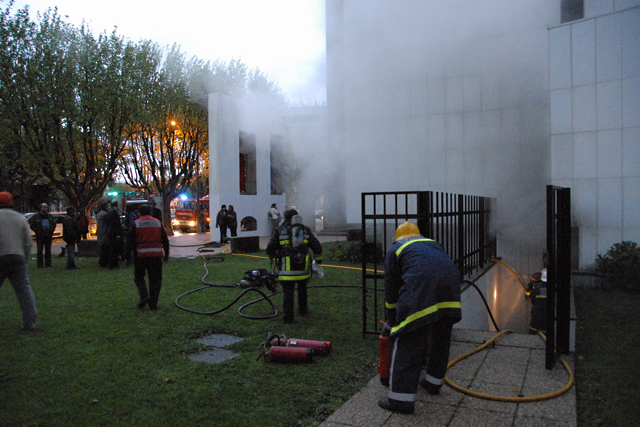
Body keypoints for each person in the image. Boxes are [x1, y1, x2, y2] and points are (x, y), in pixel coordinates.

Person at [378, 221, 462, 414]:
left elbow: (391, 292)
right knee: (440, 338)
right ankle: (433, 383)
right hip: (451, 292)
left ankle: (400, 400)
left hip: (422, 291)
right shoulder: (433, 244)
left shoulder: (396, 249)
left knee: (407, 339)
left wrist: (392, 322)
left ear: (397, 238)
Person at [266, 209, 323, 324]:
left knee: (288, 293)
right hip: (302, 269)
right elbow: (317, 247)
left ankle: (288, 318)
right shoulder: (305, 230)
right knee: (302, 289)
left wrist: (274, 255)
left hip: (286, 271)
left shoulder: (279, 230)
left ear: (285, 217)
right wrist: (318, 261)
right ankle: (303, 310)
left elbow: (270, 248)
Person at [0, 192, 38, 330]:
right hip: (17, 257)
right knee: (24, 290)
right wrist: (25, 258)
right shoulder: (20, 218)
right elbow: (28, 242)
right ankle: (30, 322)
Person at [126, 204, 169, 310]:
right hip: (156, 256)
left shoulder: (136, 224)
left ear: (139, 213)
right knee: (156, 279)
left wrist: (127, 256)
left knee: (139, 277)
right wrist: (166, 254)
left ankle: (144, 296)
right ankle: (153, 304)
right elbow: (165, 240)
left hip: (141, 256)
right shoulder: (158, 223)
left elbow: (129, 241)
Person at [29, 202, 55, 268]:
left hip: (48, 235)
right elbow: (32, 225)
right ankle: (40, 264)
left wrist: (51, 231)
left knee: (48, 250)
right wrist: (37, 231)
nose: (46, 208)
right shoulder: (36, 216)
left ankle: (48, 264)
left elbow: (53, 224)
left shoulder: (49, 216)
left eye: (46, 207)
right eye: (44, 207)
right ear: (40, 208)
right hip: (40, 236)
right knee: (40, 250)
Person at [526, 270, 547, 334]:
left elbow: (528, 295)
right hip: (546, 314)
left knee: (533, 330)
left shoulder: (537, 288)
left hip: (537, 313)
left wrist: (529, 288)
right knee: (544, 330)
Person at [106, 200, 123, 269]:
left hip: (110, 232)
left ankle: (112, 264)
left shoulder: (109, 211)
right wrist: (118, 233)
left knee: (112, 249)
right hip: (114, 233)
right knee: (114, 249)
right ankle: (114, 264)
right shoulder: (114, 212)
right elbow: (116, 223)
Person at [96, 201, 110, 267]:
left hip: (101, 232)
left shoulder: (99, 213)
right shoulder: (104, 214)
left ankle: (102, 261)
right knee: (105, 248)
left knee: (103, 248)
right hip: (104, 233)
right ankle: (103, 262)